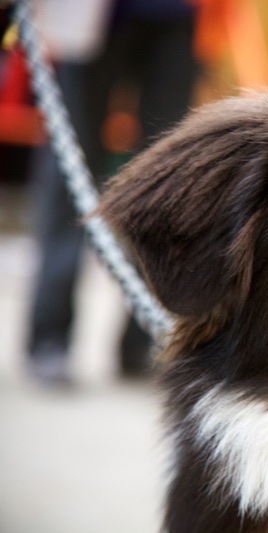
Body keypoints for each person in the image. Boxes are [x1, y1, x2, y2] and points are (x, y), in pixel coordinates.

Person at [27, 0, 199, 385]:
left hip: (176, 14)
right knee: (70, 166)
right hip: (92, 15)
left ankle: (142, 343)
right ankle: (50, 338)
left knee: (171, 183)